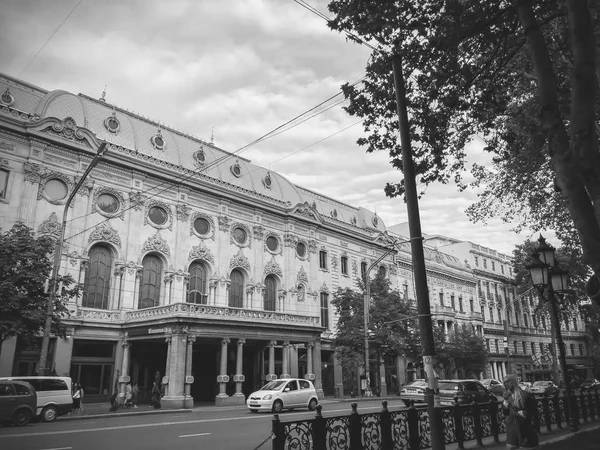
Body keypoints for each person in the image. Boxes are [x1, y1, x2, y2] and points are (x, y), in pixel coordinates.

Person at [502, 374, 538, 449]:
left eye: (508, 381)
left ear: (514, 382)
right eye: (505, 382)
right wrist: (505, 402)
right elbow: (506, 414)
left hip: (524, 428)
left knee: (524, 447)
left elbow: (533, 410)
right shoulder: (506, 396)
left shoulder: (525, 395)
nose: (506, 384)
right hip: (511, 429)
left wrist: (522, 413)